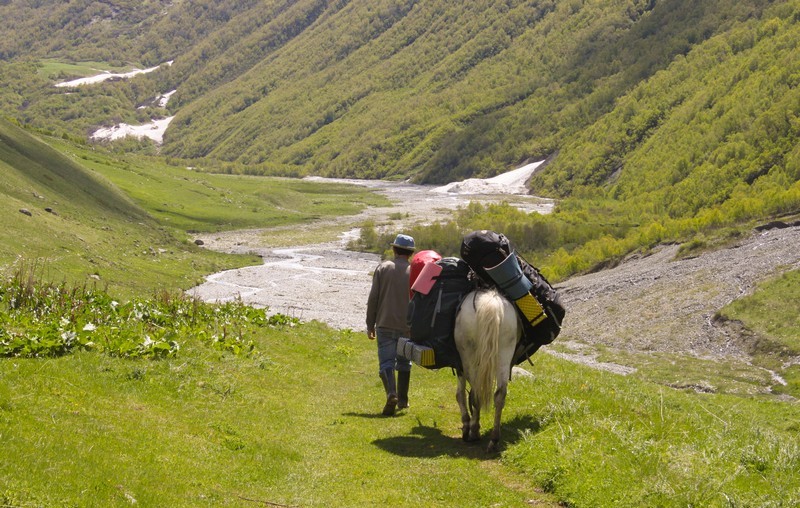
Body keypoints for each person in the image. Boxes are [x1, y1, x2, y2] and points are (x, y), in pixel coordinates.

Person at [366, 233, 415, 416]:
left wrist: (370, 324)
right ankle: (403, 400)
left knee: (386, 362)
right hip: (407, 326)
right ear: (410, 253)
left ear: (394, 249)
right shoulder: (414, 272)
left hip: (385, 323)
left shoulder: (383, 268)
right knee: (404, 362)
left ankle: (391, 393)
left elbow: (374, 299)